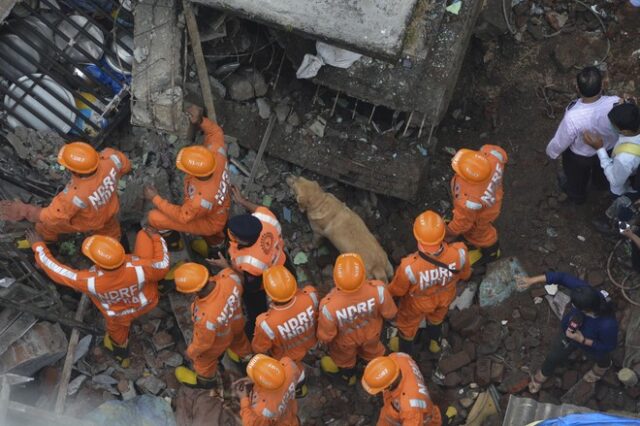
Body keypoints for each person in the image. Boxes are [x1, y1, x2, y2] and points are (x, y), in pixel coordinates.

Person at [29, 226, 169, 366]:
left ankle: (123, 358)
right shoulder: (141, 268)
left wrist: (39, 247)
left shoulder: (91, 282)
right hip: (146, 302)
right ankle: (164, 287)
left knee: (117, 337)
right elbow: (162, 265)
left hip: (118, 316)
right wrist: (157, 237)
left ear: (98, 263)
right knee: (145, 234)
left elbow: (58, 272)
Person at [0, 141, 131, 241]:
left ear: (74, 170)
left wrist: (24, 210)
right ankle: (117, 247)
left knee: (46, 227)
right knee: (111, 235)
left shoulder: (73, 196)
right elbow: (126, 166)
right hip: (110, 211)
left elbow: (50, 217)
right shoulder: (111, 158)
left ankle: (48, 244)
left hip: (90, 222)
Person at [207, 186, 289, 341]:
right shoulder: (265, 218)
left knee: (255, 305)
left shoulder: (251, 263)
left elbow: (249, 284)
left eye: (232, 236)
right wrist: (242, 201)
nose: (229, 236)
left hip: (262, 281)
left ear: (242, 241)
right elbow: (260, 209)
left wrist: (226, 266)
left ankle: (256, 330)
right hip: (281, 261)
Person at [517, 272, 618, 393]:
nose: (571, 305)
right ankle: (542, 374)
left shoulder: (607, 325)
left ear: (585, 310)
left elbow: (608, 346)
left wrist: (582, 340)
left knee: (601, 357)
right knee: (554, 356)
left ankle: (602, 367)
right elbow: (562, 277)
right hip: (569, 333)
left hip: (590, 344)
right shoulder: (585, 291)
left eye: (574, 305)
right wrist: (531, 280)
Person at [145, 105, 230, 248]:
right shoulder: (217, 153)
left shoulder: (199, 200)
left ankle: (177, 244)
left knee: (154, 217)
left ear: (196, 174)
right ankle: (217, 241)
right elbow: (215, 132)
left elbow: (182, 216)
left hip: (211, 222)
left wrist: (156, 199)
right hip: (220, 208)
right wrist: (200, 120)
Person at [388, 210, 470, 356]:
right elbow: (465, 274)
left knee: (407, 325)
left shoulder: (409, 267)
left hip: (417, 304)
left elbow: (397, 291)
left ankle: (406, 352)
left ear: (418, 239)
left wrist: (387, 293)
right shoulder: (460, 253)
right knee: (437, 318)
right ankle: (435, 344)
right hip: (445, 297)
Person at [317, 253, 397, 385]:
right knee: (373, 354)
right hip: (372, 335)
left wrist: (322, 343)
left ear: (336, 279)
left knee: (345, 361)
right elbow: (390, 313)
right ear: (363, 274)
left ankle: (350, 378)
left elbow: (327, 335)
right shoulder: (378, 290)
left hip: (345, 342)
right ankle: (378, 375)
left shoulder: (329, 306)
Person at [545, 66, 620, 204]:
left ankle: (578, 197)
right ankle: (601, 186)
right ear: (603, 85)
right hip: (608, 149)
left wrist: (552, 152)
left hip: (580, 156)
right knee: (603, 172)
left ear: (578, 89)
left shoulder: (573, 116)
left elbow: (562, 140)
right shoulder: (615, 103)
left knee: (576, 178)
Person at [173, 262, 252, 389]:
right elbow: (239, 279)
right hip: (236, 324)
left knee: (203, 361)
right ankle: (248, 362)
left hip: (218, 341)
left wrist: (191, 352)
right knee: (241, 343)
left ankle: (205, 381)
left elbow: (203, 343)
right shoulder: (229, 277)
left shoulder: (205, 316)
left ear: (195, 291)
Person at [252, 265, 319, 397]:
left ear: (270, 296)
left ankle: (298, 390)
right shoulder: (310, 295)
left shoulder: (266, 323)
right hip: (312, 344)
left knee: (294, 376)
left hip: (288, 359)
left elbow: (259, 348)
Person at [445, 144, 508, 266]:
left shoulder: (468, 201)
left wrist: (450, 233)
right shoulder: (493, 156)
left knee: (479, 233)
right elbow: (501, 153)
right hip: (493, 199)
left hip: (482, 215)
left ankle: (491, 252)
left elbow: (463, 222)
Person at [362, 354, 456, 426]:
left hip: (422, 419)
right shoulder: (397, 358)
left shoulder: (409, 407)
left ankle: (446, 418)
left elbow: (413, 419)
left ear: (389, 386)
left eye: (380, 389)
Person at [584, 102, 640, 198]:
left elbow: (615, 181)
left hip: (624, 189)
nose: (611, 126)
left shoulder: (625, 158)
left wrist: (600, 149)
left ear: (625, 131)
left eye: (613, 125)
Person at [235, 354, 301, 426]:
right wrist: (256, 377)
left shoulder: (262, 411)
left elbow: (250, 423)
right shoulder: (288, 365)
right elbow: (274, 374)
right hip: (290, 417)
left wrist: (243, 399)